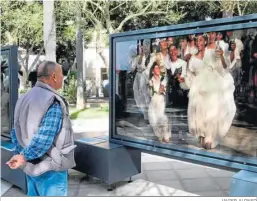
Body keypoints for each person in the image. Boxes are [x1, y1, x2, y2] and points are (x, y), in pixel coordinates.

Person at [6, 61, 76, 196]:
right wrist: (23, 156)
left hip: (30, 168)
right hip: (50, 170)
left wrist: (22, 155)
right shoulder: (53, 101)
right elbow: (43, 140)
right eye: (62, 74)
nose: (63, 77)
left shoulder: (23, 98)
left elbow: (15, 132)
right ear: (54, 76)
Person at [185, 33, 236, 150]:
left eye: (201, 40)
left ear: (205, 41)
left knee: (212, 111)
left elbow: (224, 67)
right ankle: (203, 136)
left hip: (212, 84)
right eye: (197, 41)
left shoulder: (212, 53)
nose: (199, 43)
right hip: (199, 87)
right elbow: (190, 74)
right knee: (200, 112)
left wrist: (222, 56)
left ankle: (209, 137)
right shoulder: (193, 58)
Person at [148, 62, 171, 143]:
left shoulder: (163, 78)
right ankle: (159, 135)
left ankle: (166, 135)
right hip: (153, 101)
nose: (158, 70)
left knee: (162, 117)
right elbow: (151, 94)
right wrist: (157, 91)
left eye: (158, 68)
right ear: (153, 71)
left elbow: (162, 90)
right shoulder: (151, 81)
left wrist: (158, 91)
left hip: (160, 100)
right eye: (156, 68)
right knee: (154, 120)